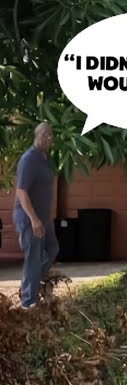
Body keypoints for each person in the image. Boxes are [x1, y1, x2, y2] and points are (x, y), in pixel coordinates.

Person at [13, 123, 59, 309]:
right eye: (45, 134)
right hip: (28, 218)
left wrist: (45, 219)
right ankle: (28, 303)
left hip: (42, 218)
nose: (49, 138)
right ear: (36, 135)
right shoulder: (28, 159)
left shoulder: (44, 159)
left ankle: (29, 284)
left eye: (51, 135)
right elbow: (22, 192)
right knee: (33, 258)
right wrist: (34, 219)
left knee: (53, 248)